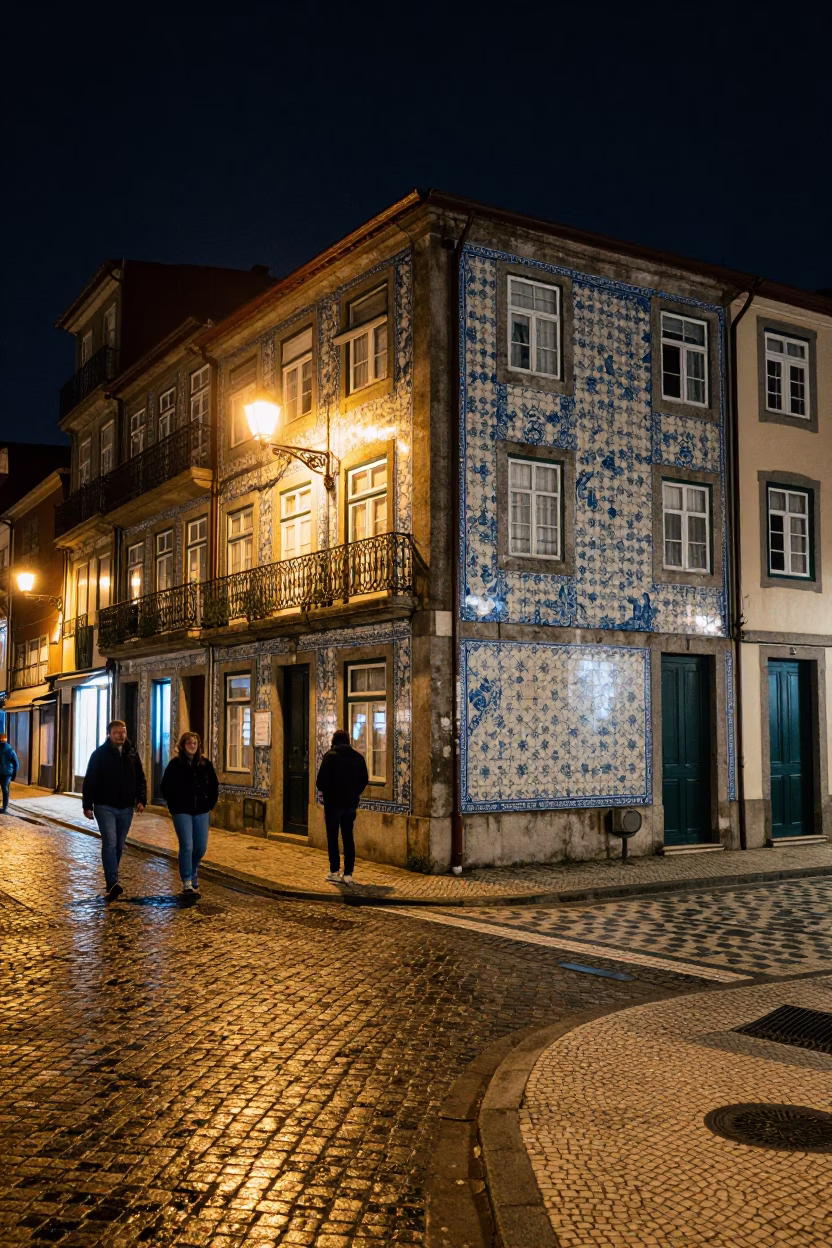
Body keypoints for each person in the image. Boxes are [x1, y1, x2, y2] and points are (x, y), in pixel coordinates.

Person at [82, 720, 147, 900]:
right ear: (109, 734)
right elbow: (90, 780)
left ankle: (112, 879)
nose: (121, 735)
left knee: (119, 845)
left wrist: (141, 799)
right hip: (105, 806)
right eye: (117, 732)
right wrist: (87, 804)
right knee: (110, 843)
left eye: (123, 732)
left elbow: (140, 778)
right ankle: (112, 882)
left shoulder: (132, 754)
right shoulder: (100, 755)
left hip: (126, 807)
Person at [160, 731, 218, 898]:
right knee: (187, 845)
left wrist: (209, 804)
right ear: (183, 745)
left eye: (195, 743)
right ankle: (187, 881)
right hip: (181, 811)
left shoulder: (205, 764)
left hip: (202, 810)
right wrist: (174, 805)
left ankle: (193, 871)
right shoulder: (175, 765)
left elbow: (214, 785)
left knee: (200, 847)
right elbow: (165, 787)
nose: (192, 746)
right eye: (189, 743)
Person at [315, 728, 368, 885]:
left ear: (334, 741)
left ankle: (334, 871)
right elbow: (364, 779)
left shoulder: (330, 757)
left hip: (333, 804)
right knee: (348, 837)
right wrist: (354, 792)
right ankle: (348, 873)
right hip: (350, 804)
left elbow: (320, 782)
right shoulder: (358, 758)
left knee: (332, 837)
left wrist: (328, 792)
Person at [0, 734, 20, 813]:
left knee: (5, 790)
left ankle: (4, 807)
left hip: (3, 772)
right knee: (5, 790)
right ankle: (5, 807)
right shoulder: (10, 750)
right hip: (7, 773)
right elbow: (16, 763)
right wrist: (14, 773)